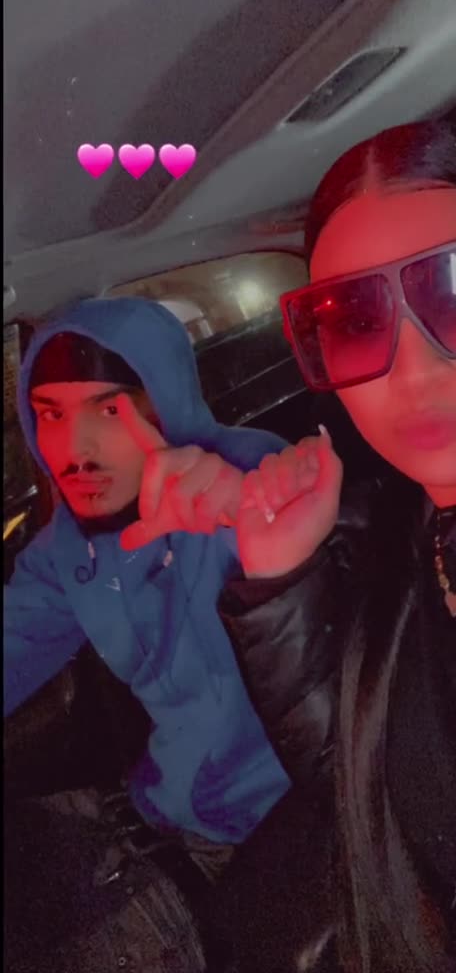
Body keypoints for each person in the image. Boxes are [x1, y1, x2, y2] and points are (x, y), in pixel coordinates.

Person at [215, 122, 456, 973]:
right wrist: (280, 577)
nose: (413, 371)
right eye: (352, 318)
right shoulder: (413, 538)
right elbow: (381, 791)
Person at [4, 295, 291, 970]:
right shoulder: (69, 546)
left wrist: (262, 529)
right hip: (150, 808)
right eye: (50, 414)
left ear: (166, 401)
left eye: (108, 411)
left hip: (265, 832)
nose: (73, 450)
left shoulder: (249, 482)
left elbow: (348, 582)